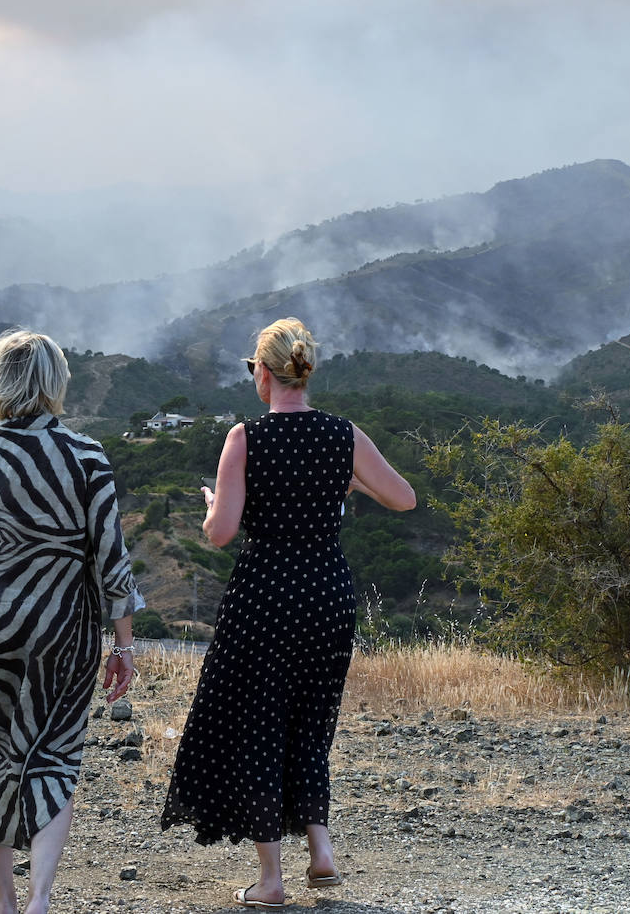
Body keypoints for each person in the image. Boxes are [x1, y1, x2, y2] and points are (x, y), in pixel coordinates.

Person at [160, 317, 416, 909]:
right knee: (310, 718)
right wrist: (347, 484)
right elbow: (403, 497)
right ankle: (320, 848)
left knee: (259, 724)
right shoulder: (342, 435)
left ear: (264, 375)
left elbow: (221, 534)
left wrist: (213, 504)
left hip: (265, 593)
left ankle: (271, 881)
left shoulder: (245, 438)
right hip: (327, 591)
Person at [0, 328, 144, 914]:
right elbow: (109, 558)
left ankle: (5, 903)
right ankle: (42, 898)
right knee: (54, 756)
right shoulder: (87, 456)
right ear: (55, 383)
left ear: (0, 383)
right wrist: (124, 646)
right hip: (62, 633)